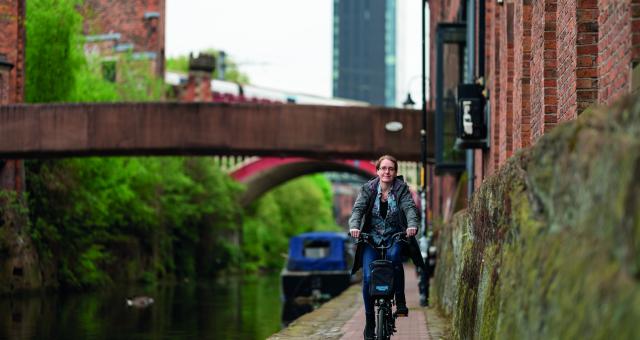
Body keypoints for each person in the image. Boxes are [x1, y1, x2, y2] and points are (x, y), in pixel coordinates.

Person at [349, 154, 426, 339]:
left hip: (394, 236)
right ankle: (369, 321)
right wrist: (354, 226)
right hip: (370, 239)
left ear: (395, 172)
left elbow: (409, 208)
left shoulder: (401, 189)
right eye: (383, 168)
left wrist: (411, 225)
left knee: (394, 258)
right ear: (377, 171)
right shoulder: (368, 189)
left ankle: (399, 299)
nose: (387, 172)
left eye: (391, 169)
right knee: (368, 277)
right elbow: (358, 209)